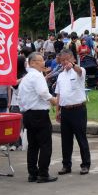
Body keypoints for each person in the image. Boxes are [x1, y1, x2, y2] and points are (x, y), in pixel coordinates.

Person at [18, 52, 58, 183]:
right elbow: (43, 92)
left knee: (33, 145)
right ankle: (43, 173)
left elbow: (20, 97)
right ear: (33, 63)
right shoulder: (37, 75)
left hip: (28, 114)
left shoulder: (26, 78)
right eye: (41, 61)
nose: (43, 63)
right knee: (45, 144)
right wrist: (53, 100)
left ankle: (32, 173)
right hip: (39, 114)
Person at [55, 49, 91, 176]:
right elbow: (59, 94)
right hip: (65, 110)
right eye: (62, 60)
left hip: (78, 109)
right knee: (66, 140)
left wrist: (73, 65)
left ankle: (85, 164)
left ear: (73, 59)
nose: (65, 62)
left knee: (81, 138)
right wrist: (57, 110)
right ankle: (66, 165)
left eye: (67, 59)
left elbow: (80, 71)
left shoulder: (79, 71)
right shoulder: (60, 75)